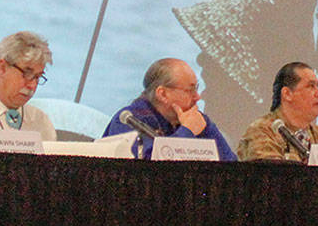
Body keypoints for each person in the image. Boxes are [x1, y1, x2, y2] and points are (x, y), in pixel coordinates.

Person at [101, 57, 237, 161]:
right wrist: (187, 132)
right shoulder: (128, 120)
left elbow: (231, 167)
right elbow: (150, 172)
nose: (197, 97)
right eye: (190, 90)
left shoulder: (195, 119)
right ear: (163, 94)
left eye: (196, 88)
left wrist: (207, 130)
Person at [237, 61, 318, 163]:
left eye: (317, 86)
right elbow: (271, 176)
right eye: (310, 86)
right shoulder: (261, 133)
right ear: (287, 94)